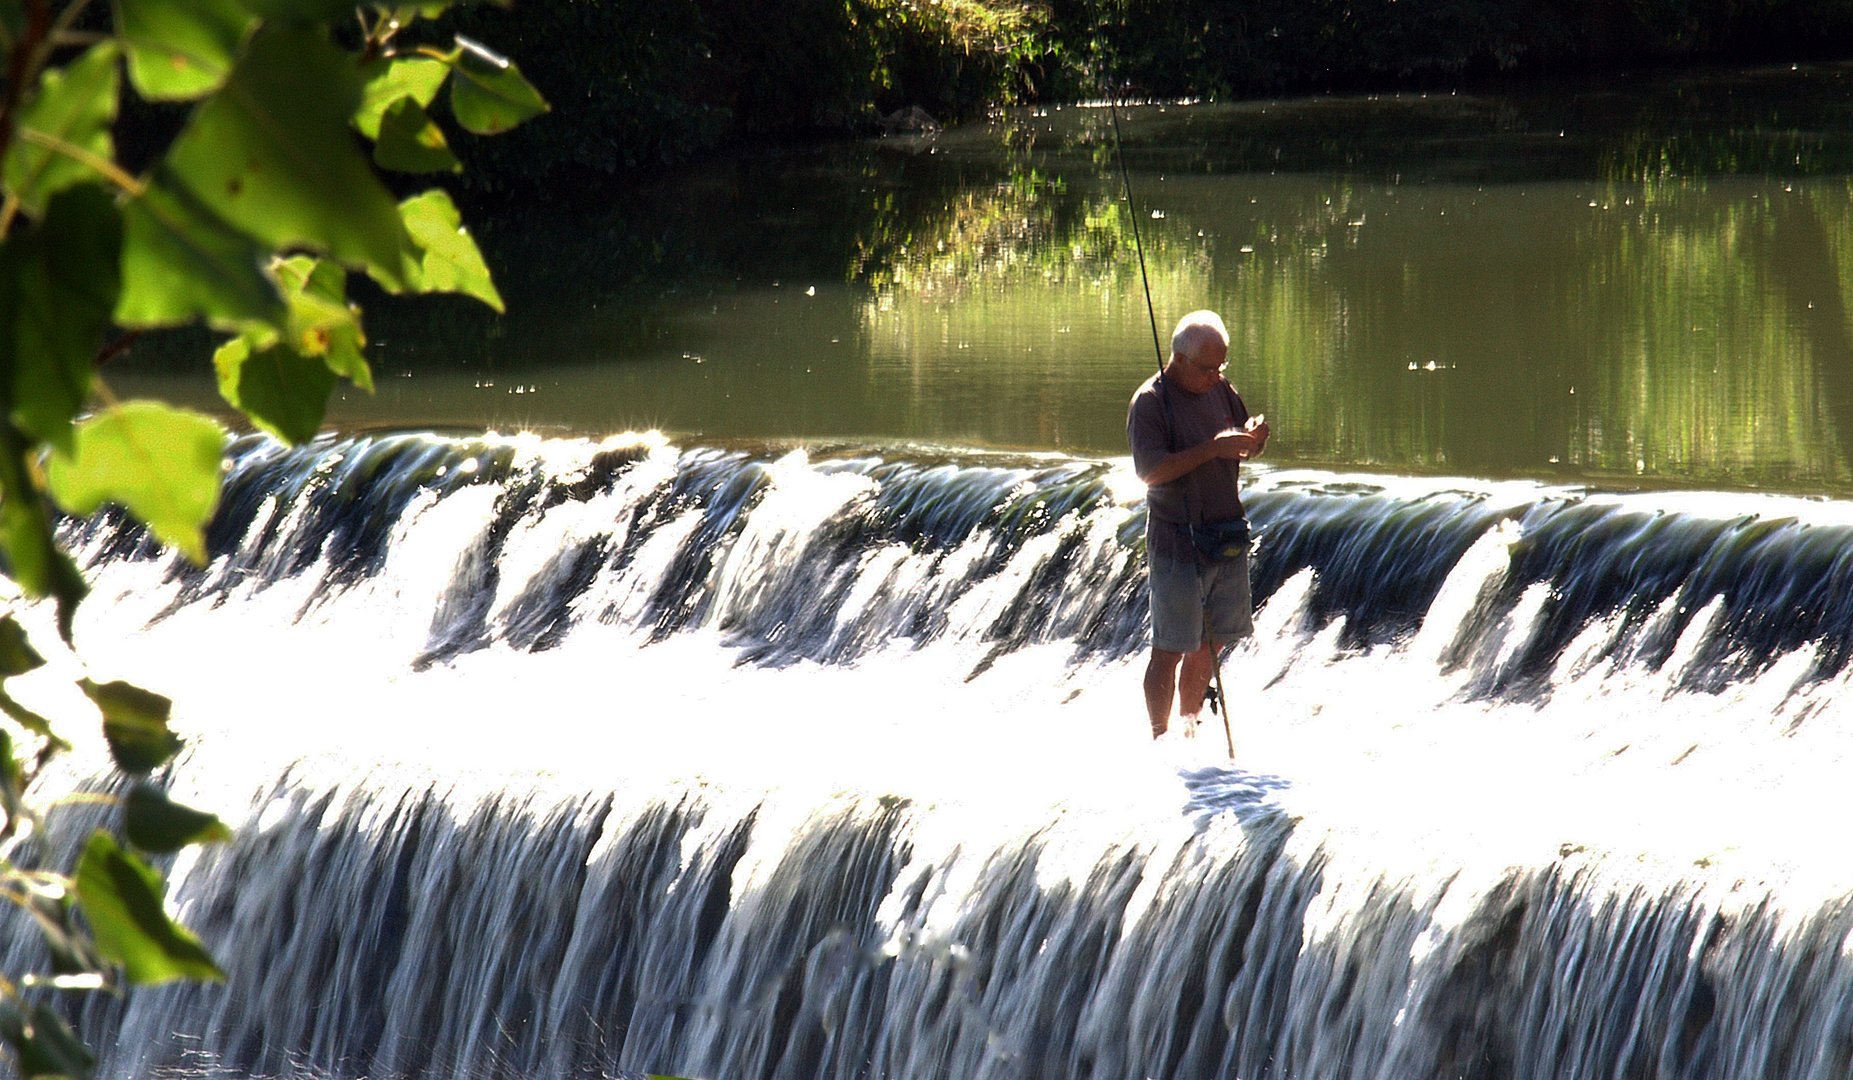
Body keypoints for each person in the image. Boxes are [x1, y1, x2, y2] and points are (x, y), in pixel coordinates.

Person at [1126, 310, 1270, 739]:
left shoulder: (1219, 388)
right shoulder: (1150, 402)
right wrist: (1211, 449)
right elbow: (1149, 472)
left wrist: (1253, 440)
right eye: (1208, 368)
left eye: (1221, 367)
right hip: (1177, 540)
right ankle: (1159, 737)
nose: (1216, 376)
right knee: (1170, 647)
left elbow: (1239, 446)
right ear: (1180, 360)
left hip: (1226, 534)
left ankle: (1189, 731)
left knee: (1214, 643)